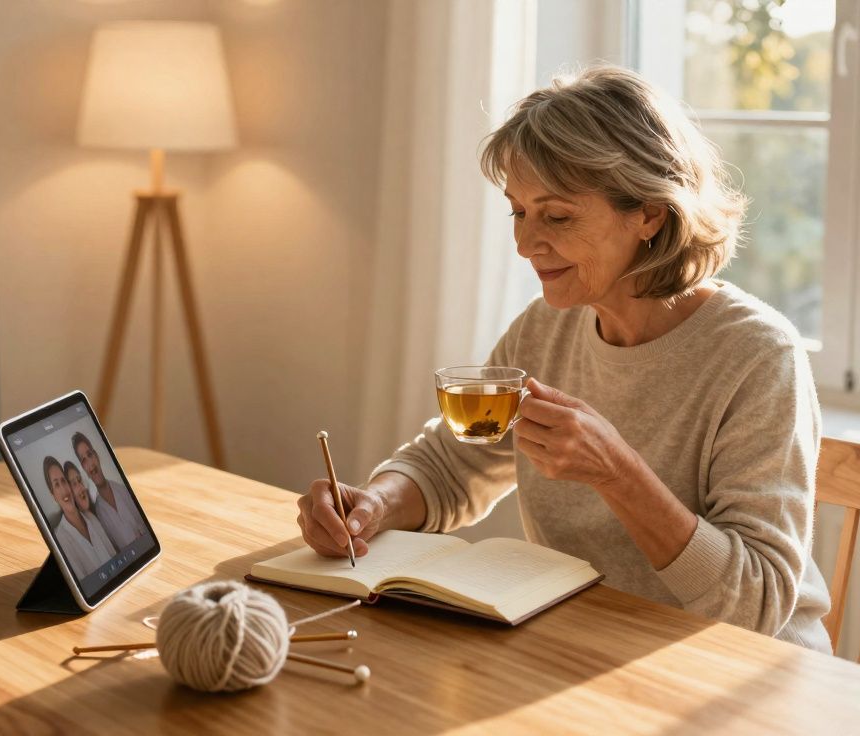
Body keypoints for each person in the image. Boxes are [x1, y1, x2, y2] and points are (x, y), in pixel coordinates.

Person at [295, 65, 832, 652]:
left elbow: (756, 605)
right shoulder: (547, 328)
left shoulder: (758, 356)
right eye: (518, 212)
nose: (525, 244)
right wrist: (375, 504)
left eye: (557, 216)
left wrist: (617, 473)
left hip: (737, 669)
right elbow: (452, 466)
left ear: (649, 212)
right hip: (592, 645)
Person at [72, 432, 146, 551]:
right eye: (84, 460)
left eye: (90, 454)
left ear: (97, 457)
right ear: (84, 470)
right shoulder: (99, 516)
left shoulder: (125, 490)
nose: (90, 463)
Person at [45, 456, 115, 578]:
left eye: (64, 481)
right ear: (53, 495)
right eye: (56, 484)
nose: (64, 489)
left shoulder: (91, 518)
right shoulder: (60, 540)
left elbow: (113, 556)